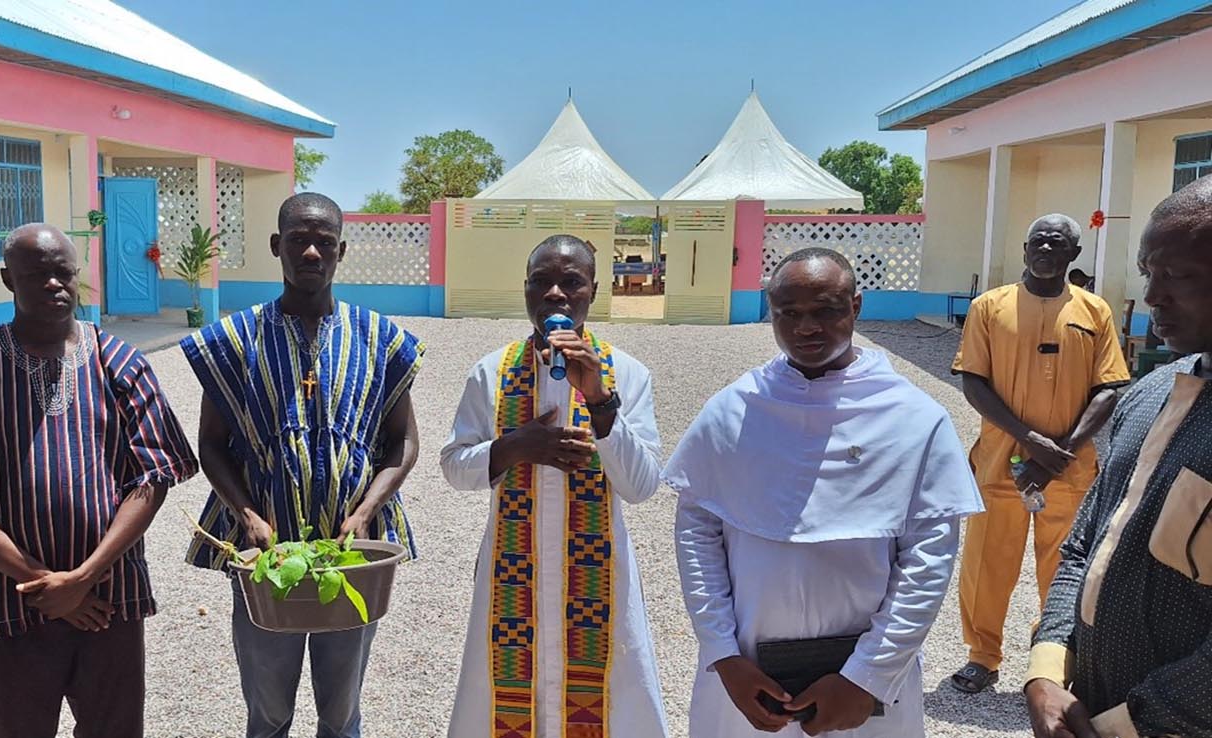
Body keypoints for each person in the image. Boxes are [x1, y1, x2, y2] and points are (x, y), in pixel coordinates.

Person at [665, 247, 982, 737]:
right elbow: (697, 533)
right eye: (788, 314)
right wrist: (722, 654)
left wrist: (868, 676)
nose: (806, 328)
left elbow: (928, 560)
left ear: (855, 306)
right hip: (748, 678)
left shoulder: (913, 418)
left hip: (864, 685)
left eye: (825, 311)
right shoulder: (734, 409)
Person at [0, 224, 198, 738]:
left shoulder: (120, 361)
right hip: (10, 602)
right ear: (7, 280)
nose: (54, 286)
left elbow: (154, 475)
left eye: (63, 273)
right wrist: (44, 583)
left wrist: (83, 579)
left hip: (110, 600)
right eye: (36, 275)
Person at [181, 193, 423, 738]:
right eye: (298, 240)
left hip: (351, 555)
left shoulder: (380, 340)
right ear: (276, 247)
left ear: (342, 251)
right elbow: (212, 444)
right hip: (266, 554)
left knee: (341, 710)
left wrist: (366, 512)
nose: (311, 252)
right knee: (268, 708)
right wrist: (246, 515)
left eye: (324, 242)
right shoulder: (235, 340)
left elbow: (402, 443)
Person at [441, 235, 669, 738]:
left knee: (606, 701)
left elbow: (642, 486)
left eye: (571, 283)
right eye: (542, 282)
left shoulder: (627, 374)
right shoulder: (492, 372)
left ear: (593, 292)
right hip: (510, 579)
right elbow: (455, 467)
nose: (556, 295)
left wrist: (601, 401)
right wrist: (515, 446)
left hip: (598, 580)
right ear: (525, 291)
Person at [1025, 175, 1212, 738]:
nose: (1153, 296)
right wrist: (1046, 669)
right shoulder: (1151, 393)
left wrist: (1129, 722)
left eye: (1177, 276)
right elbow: (1086, 541)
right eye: (1147, 271)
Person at [950, 214, 1132, 694]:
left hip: (1070, 472)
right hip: (1000, 466)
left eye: (1058, 243)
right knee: (987, 565)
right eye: (1039, 241)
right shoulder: (990, 307)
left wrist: (1062, 451)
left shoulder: (1095, 311)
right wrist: (1030, 440)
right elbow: (973, 379)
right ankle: (982, 657)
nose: (1046, 249)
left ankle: (1050, 661)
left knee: (1064, 569)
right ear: (1025, 248)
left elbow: (1109, 387)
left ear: (1074, 254)